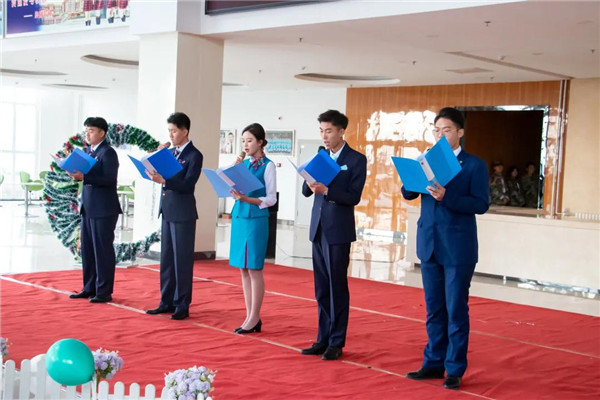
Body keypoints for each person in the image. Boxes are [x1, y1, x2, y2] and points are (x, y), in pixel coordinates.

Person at [402, 107, 489, 390]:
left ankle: (454, 368)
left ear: (460, 132)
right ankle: (433, 362)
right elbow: (408, 193)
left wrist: (446, 196)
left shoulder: (473, 164)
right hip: (429, 244)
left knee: (455, 309)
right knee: (434, 309)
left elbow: (481, 204)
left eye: (447, 130)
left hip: (458, 248)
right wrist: (411, 179)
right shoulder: (426, 160)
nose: (441, 135)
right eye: (437, 130)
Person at [300, 110, 367, 361]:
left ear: (341, 131)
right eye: (321, 131)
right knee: (321, 288)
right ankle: (322, 338)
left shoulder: (356, 159)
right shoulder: (321, 155)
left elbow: (354, 196)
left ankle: (337, 341)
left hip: (338, 230)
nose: (324, 136)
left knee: (336, 286)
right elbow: (306, 191)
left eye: (328, 131)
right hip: (318, 228)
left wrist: (328, 190)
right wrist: (310, 182)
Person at [145, 112, 203, 320]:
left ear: (185, 131)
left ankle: (182, 304)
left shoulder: (194, 155)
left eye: (174, 131)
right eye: (169, 131)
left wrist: (164, 181)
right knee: (167, 259)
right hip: (168, 210)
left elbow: (188, 184)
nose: (170, 135)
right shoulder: (170, 152)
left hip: (183, 212)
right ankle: (166, 301)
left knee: (182, 260)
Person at [229, 123, 277, 334]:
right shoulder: (243, 164)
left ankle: (255, 316)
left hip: (256, 218)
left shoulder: (268, 166)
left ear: (260, 142)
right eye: (243, 141)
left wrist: (248, 199)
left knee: (254, 268)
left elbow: (271, 198)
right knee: (243, 268)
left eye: (249, 140)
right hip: (240, 216)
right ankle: (249, 315)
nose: (245, 145)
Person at [69, 117, 122, 303]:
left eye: (91, 131)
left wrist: (85, 177)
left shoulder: (108, 153)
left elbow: (109, 179)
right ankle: (89, 287)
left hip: (104, 209)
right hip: (88, 207)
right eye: (86, 131)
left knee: (102, 250)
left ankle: (104, 291)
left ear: (102, 133)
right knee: (88, 250)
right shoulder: (88, 152)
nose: (87, 134)